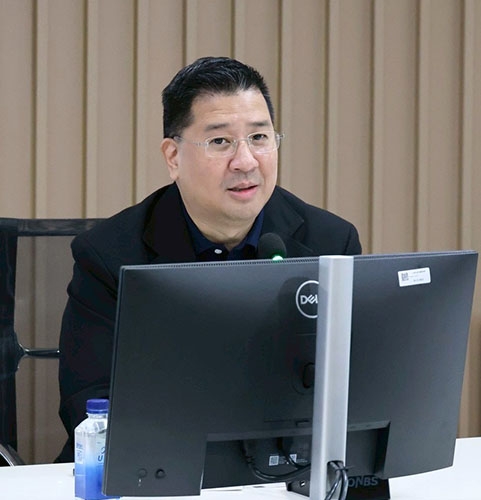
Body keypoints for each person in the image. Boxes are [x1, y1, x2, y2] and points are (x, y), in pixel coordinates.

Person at [56, 56, 361, 461]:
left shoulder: (330, 242)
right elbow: (89, 402)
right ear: (173, 157)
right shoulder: (110, 255)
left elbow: (355, 388)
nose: (246, 161)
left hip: (285, 471)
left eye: (259, 137)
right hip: (160, 471)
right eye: (220, 142)